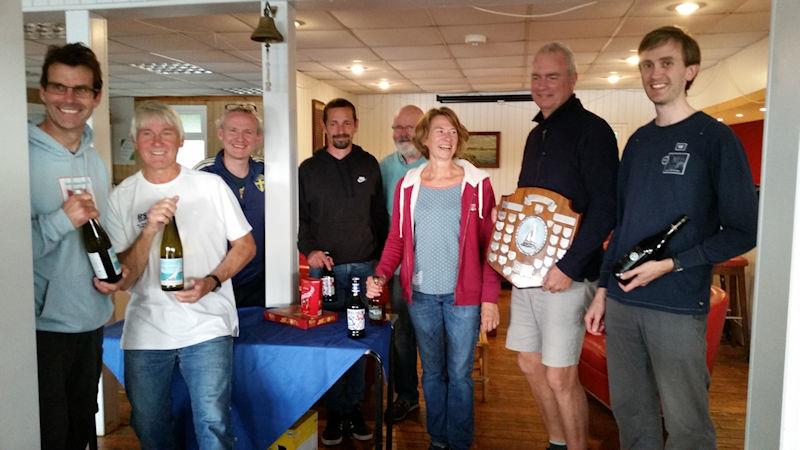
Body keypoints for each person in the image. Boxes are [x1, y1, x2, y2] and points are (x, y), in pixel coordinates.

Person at [584, 26, 758, 449]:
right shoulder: (639, 142)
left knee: (687, 424)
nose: (654, 73)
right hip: (624, 305)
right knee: (633, 415)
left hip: (678, 306)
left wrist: (672, 263)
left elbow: (744, 230)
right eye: (646, 64)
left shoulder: (715, 139)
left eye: (666, 63)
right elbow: (622, 225)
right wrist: (604, 291)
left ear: (690, 70)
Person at [105, 100, 256, 449]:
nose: (157, 141)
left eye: (166, 132)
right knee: (148, 424)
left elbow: (245, 246)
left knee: (213, 422)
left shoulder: (210, 186)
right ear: (135, 141)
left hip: (207, 324)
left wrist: (212, 282)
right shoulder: (122, 197)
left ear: (180, 140)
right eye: (147, 133)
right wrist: (148, 232)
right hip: (147, 330)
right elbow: (122, 280)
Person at [504, 42, 618, 450]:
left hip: (568, 276)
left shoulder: (594, 131)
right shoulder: (536, 135)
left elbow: (606, 209)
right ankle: (556, 442)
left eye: (552, 76)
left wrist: (568, 266)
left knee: (559, 374)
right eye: (536, 77)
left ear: (572, 79)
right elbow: (524, 204)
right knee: (528, 362)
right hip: (527, 275)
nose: (543, 85)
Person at [367, 107, 501, 450]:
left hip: (464, 298)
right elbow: (396, 239)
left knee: (459, 375)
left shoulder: (477, 183)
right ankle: (437, 440)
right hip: (421, 295)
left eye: (453, 131)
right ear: (425, 138)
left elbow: (490, 247)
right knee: (433, 373)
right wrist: (381, 274)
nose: (447, 137)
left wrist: (490, 299)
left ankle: (459, 441)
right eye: (440, 131)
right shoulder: (407, 185)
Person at [29, 42, 129, 450]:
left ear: (96, 96)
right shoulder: (16, 157)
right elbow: (7, 253)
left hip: (89, 319)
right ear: (42, 92)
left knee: (81, 428)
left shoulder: (93, 158)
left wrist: (113, 270)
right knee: (49, 433)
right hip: (40, 327)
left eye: (81, 90)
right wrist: (59, 221)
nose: (69, 99)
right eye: (59, 88)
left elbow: (96, 233)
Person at [297, 97, 388, 446]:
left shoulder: (370, 164)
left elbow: (379, 218)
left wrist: (381, 267)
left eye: (346, 122)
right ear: (324, 127)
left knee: (358, 343)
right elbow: (300, 219)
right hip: (325, 272)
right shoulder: (308, 169)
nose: (340, 129)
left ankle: (353, 410)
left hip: (364, 268)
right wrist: (310, 251)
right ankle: (335, 414)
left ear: (355, 124)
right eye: (333, 123)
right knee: (328, 344)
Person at [379, 104, 426, 422]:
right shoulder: (384, 167)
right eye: (398, 127)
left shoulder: (436, 165)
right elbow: (381, 219)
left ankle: (441, 398)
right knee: (402, 337)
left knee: (437, 338)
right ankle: (407, 397)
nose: (402, 133)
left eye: (409, 127)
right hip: (399, 272)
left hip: (435, 272)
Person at [195, 103, 265, 307]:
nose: (240, 139)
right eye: (233, 130)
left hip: (259, 285)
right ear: (221, 134)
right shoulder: (203, 174)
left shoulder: (268, 172)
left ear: (258, 138)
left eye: (248, 132)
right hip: (215, 282)